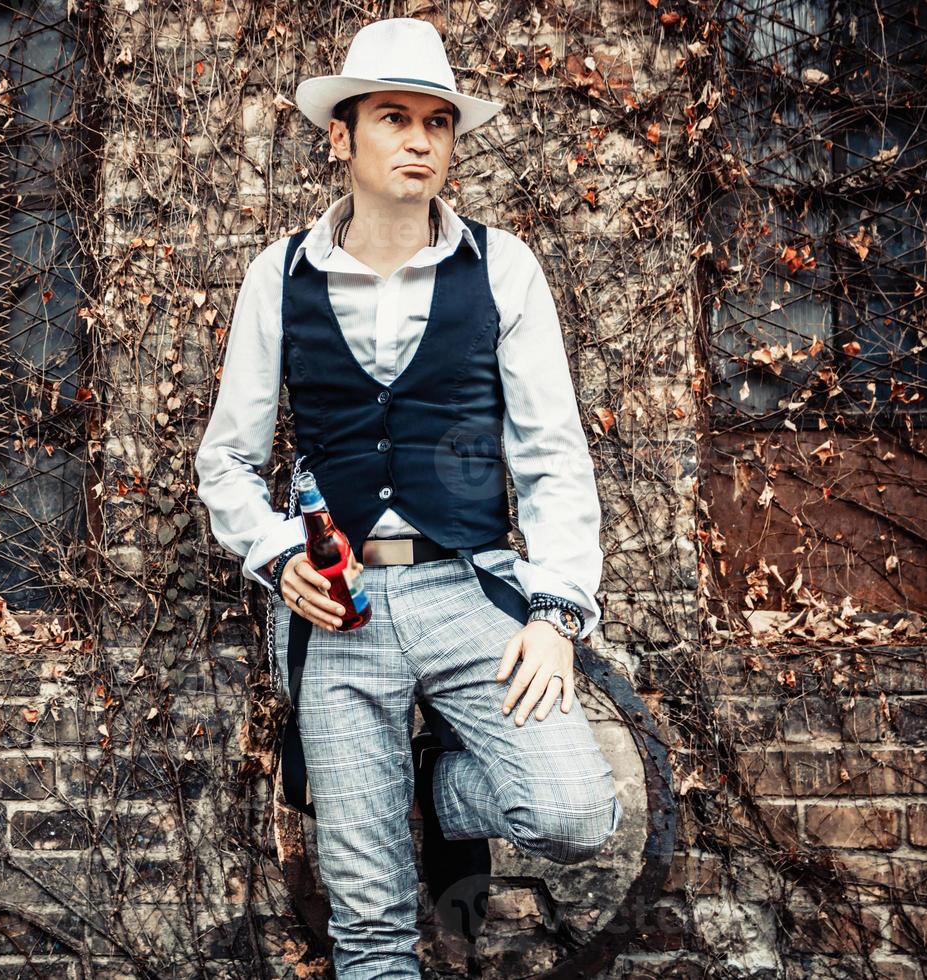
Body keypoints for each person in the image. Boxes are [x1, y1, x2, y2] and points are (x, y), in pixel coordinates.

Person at [194, 17, 623, 978]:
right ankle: (379, 807)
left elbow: (551, 455)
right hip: (336, 615)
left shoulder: (501, 268)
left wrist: (556, 611)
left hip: (470, 592)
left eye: (438, 121)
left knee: (574, 810)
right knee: (373, 933)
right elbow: (224, 462)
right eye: (395, 117)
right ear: (342, 135)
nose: (421, 139)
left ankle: (427, 785)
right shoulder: (280, 276)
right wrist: (276, 555)